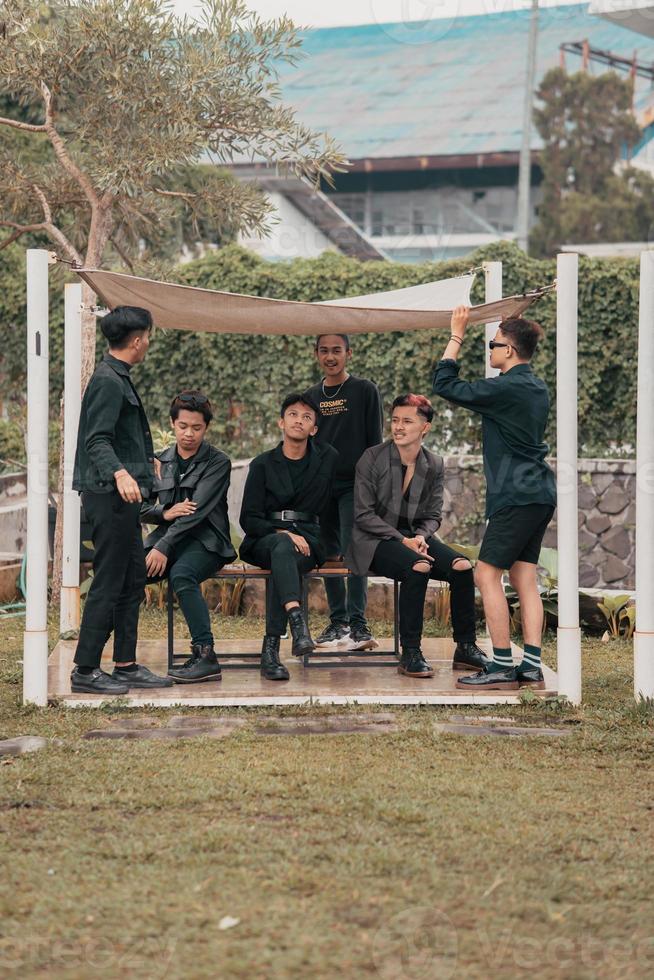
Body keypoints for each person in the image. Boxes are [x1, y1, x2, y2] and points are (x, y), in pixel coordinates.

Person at [433, 307, 557, 691]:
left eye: (494, 344)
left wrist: (456, 335)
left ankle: (502, 664)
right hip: (539, 493)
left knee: (486, 573)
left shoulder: (506, 388)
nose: (490, 350)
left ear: (510, 350)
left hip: (515, 494)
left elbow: (445, 385)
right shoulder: (535, 386)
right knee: (523, 577)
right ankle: (531, 666)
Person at [346, 394, 489, 679]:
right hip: (374, 539)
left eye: (407, 421)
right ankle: (410, 652)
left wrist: (421, 536)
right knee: (419, 566)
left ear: (425, 427)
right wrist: (403, 541)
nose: (398, 427)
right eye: (395, 420)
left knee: (462, 567)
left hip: (415, 537)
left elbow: (434, 515)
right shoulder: (371, 458)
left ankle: (465, 647)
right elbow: (363, 514)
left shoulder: (434, 463)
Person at [70, 306, 172, 694]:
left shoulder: (118, 377)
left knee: (132, 578)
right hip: (107, 496)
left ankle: (125, 664)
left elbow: (117, 436)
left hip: (122, 498)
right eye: (147, 336)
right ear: (136, 340)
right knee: (110, 580)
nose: (148, 342)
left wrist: (142, 464)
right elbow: (96, 439)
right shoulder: (108, 381)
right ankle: (84, 669)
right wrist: (121, 473)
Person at [239, 392, 337, 681]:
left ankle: (271, 650)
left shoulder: (327, 459)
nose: (299, 420)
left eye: (307, 417)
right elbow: (248, 518)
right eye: (293, 414)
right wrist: (282, 531)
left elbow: (335, 503)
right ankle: (297, 626)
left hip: (309, 540)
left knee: (286, 556)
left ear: (314, 429)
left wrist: (336, 544)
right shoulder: (262, 464)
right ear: (281, 422)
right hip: (264, 538)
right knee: (282, 546)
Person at [141, 390, 237, 684]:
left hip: (207, 541)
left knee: (182, 574)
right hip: (168, 536)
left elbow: (196, 513)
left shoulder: (218, 462)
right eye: (183, 426)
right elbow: (141, 508)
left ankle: (205, 655)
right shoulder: (158, 461)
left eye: (196, 428)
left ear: (206, 428)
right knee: (128, 570)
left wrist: (163, 546)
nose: (189, 434)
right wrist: (164, 513)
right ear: (172, 424)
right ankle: (123, 660)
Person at [305, 333, 383, 651]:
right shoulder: (310, 396)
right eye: (324, 351)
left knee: (356, 551)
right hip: (321, 486)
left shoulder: (364, 390)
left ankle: (358, 624)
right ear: (316, 355)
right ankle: (338, 623)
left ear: (349, 353)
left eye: (336, 350)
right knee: (327, 553)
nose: (330, 356)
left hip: (356, 484)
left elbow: (375, 441)